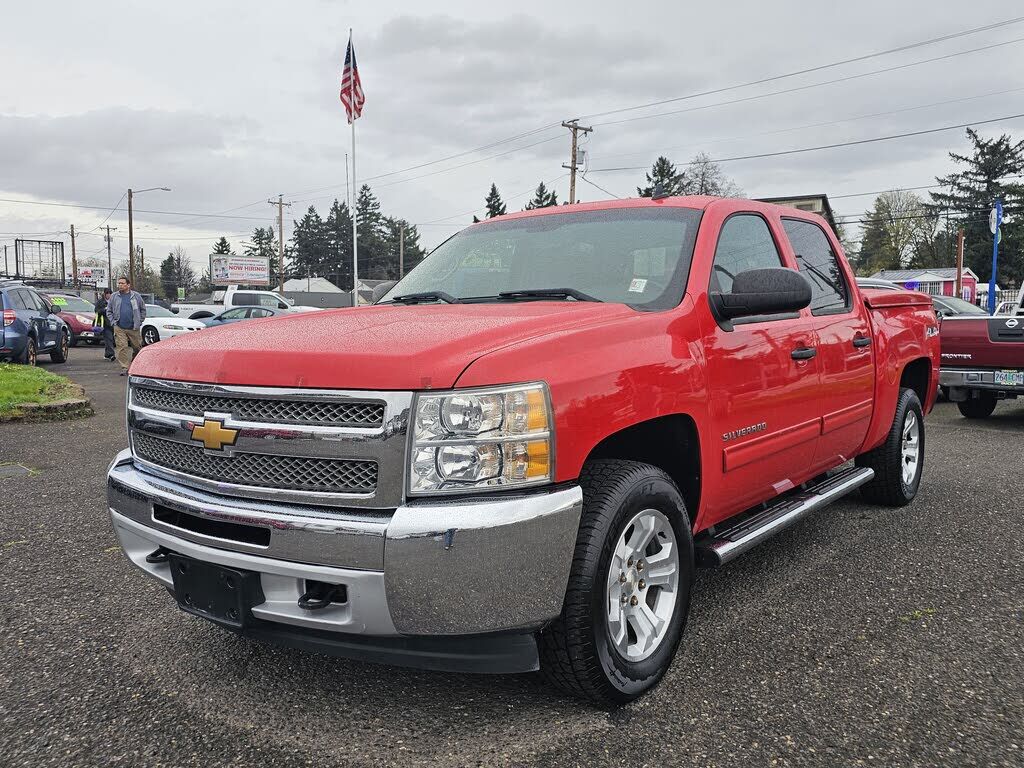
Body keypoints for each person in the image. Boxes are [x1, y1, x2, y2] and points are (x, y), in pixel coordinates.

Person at [106, 277, 147, 376]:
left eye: (122, 283)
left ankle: (134, 363)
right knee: (122, 347)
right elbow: (109, 310)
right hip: (119, 327)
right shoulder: (114, 296)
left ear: (128, 285)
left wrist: (139, 321)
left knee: (137, 347)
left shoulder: (136, 296)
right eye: (119, 283)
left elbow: (143, 310)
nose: (119, 285)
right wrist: (113, 322)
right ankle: (124, 367)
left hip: (133, 327)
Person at [94, 288, 115, 360]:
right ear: (105, 294)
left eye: (110, 293)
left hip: (114, 323)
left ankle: (107, 354)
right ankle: (111, 355)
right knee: (109, 339)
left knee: (111, 339)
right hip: (105, 323)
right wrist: (104, 309)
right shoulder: (100, 302)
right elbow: (96, 311)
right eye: (107, 293)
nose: (109, 295)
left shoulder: (114, 302)